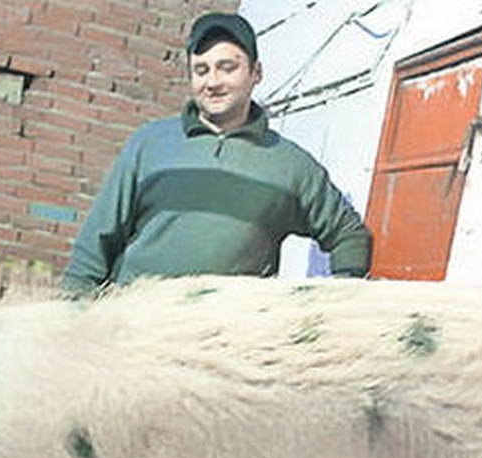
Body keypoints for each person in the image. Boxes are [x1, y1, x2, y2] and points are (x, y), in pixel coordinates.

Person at [60, 12, 372, 294]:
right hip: (135, 323)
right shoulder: (149, 144)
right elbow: (96, 240)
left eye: (227, 68)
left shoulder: (291, 165)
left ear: (256, 72)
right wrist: (75, 309)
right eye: (201, 70)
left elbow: (349, 234)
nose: (212, 82)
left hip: (228, 333)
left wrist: (339, 299)